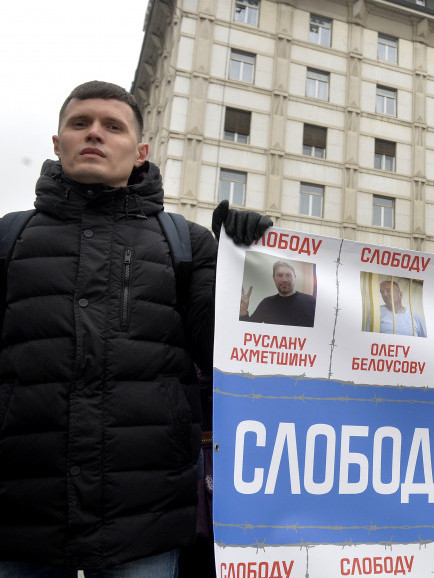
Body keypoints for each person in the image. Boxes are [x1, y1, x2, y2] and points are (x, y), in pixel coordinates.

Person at [0, 81, 269, 575]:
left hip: (144, 519)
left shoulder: (184, 243)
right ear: (58, 143)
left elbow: (227, 351)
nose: (94, 134)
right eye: (80, 124)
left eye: (112, 126)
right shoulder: (9, 236)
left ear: (141, 150)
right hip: (20, 515)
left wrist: (244, 261)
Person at [239, 260, 316, 327]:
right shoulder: (266, 303)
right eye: (280, 275)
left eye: (288, 275)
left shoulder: (311, 302)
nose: (284, 279)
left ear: (294, 277)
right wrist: (243, 313)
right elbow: (249, 329)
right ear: (274, 278)